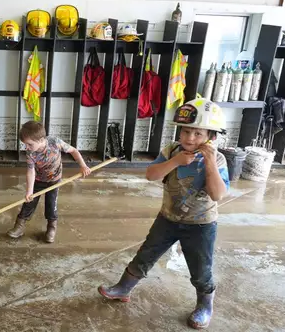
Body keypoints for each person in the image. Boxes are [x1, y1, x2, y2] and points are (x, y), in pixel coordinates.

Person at [98, 98, 230, 330]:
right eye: (186, 131)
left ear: (212, 137)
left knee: (201, 268)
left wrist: (208, 162)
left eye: (198, 134)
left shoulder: (217, 159)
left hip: (201, 224)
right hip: (167, 218)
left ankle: (205, 306)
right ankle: (123, 288)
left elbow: (217, 194)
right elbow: (151, 175)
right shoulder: (171, 150)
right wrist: (176, 161)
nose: (190, 138)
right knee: (146, 253)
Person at [7, 121, 91, 243]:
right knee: (28, 203)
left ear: (41, 139)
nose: (27, 147)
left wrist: (83, 166)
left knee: (51, 205)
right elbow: (31, 171)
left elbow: (74, 151)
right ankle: (19, 227)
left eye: (29, 144)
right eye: (25, 144)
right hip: (38, 180)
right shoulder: (31, 153)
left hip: (54, 181)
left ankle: (51, 228)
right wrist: (29, 191)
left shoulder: (55, 142)